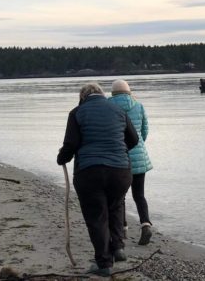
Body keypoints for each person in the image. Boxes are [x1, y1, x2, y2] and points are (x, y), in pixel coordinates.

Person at [57, 83, 138, 277]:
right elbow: (134, 139)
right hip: (120, 171)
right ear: (101, 94)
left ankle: (104, 263)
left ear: (82, 97)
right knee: (116, 206)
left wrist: (62, 157)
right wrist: (117, 150)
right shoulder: (118, 110)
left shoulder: (77, 112)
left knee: (97, 216)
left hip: (89, 172)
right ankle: (118, 248)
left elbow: (72, 143)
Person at [108, 79, 154, 246]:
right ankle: (145, 225)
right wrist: (139, 144)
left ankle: (123, 229)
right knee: (139, 195)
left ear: (113, 93)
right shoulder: (138, 105)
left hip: (119, 157)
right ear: (129, 91)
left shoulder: (108, 106)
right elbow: (144, 130)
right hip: (139, 155)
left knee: (119, 196)